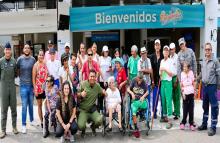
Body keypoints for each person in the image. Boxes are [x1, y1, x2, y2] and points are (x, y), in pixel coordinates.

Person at [197, 43, 220, 136]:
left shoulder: (215, 61)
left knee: (214, 107)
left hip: (212, 86)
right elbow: (202, 73)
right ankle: (204, 124)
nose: (207, 51)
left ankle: (213, 127)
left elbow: (218, 75)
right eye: (206, 49)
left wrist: (218, 87)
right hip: (204, 86)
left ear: (211, 50)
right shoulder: (204, 60)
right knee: (205, 106)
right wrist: (197, 79)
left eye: (209, 49)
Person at [77, 69, 105, 137]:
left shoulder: (97, 86)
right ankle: (83, 129)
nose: (92, 78)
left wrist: (105, 92)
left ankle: (93, 126)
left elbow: (102, 92)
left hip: (92, 110)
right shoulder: (83, 84)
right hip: (83, 110)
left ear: (95, 78)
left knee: (100, 120)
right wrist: (80, 94)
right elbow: (76, 95)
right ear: (88, 77)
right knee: (80, 126)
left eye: (93, 76)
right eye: (91, 76)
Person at [0, 42, 18, 139]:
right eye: (6, 50)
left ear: (10, 51)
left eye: (9, 49)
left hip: (12, 86)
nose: (7, 51)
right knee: (3, 109)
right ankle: (3, 130)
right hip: (3, 87)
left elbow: (16, 73)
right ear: (4, 51)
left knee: (14, 108)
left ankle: (14, 127)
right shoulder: (0, 61)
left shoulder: (14, 61)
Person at [17, 44, 36, 134]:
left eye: (28, 48)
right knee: (24, 106)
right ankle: (24, 125)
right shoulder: (20, 59)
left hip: (31, 86)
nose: (27, 49)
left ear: (30, 50)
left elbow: (35, 72)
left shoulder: (33, 60)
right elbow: (17, 70)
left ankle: (32, 120)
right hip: (23, 86)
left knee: (31, 104)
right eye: (25, 48)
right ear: (23, 50)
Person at [127, 73, 149, 138]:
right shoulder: (133, 80)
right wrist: (131, 93)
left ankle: (141, 114)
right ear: (136, 78)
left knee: (143, 105)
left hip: (141, 100)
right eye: (138, 80)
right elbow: (128, 89)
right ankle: (136, 126)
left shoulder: (144, 82)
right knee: (133, 110)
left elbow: (147, 91)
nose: (139, 82)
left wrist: (143, 96)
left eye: (141, 80)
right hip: (135, 100)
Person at [159, 45, 174, 129]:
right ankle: (165, 117)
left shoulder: (170, 61)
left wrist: (164, 69)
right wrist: (161, 72)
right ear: (163, 52)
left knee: (168, 101)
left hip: (168, 82)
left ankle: (170, 120)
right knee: (163, 100)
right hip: (163, 82)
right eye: (164, 51)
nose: (165, 52)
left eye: (167, 51)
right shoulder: (161, 61)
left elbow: (171, 73)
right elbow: (160, 73)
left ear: (168, 52)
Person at [32, 49, 48, 128]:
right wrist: (35, 89)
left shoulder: (45, 64)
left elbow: (47, 75)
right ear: (37, 55)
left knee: (46, 105)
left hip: (45, 88)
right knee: (39, 105)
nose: (41, 56)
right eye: (40, 55)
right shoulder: (35, 65)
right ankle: (42, 121)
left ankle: (46, 120)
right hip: (38, 88)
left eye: (42, 55)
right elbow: (33, 78)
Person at [149, 39, 164, 120]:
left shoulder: (163, 56)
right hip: (154, 80)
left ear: (160, 46)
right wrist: (152, 81)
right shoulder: (151, 56)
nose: (157, 46)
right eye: (156, 45)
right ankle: (154, 113)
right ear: (154, 46)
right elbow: (151, 70)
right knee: (155, 97)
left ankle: (162, 114)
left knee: (162, 98)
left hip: (162, 80)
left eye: (158, 45)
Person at [180, 62, 196, 131]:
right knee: (185, 109)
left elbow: (194, 82)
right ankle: (183, 122)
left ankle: (191, 123)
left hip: (191, 92)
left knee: (191, 109)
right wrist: (182, 93)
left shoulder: (191, 73)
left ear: (188, 68)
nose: (184, 68)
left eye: (185, 67)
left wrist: (195, 91)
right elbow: (181, 84)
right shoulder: (182, 73)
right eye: (183, 67)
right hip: (185, 93)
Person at [138, 47, 153, 117]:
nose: (144, 54)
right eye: (143, 53)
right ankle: (142, 114)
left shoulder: (148, 60)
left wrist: (143, 70)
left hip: (148, 83)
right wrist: (146, 71)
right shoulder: (139, 61)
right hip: (141, 84)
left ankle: (148, 113)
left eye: (145, 53)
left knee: (148, 99)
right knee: (141, 99)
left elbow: (150, 71)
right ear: (141, 53)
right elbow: (139, 73)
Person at [169, 43, 181, 120]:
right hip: (170, 78)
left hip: (176, 77)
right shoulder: (170, 57)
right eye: (170, 49)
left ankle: (177, 113)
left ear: (175, 49)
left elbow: (179, 69)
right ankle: (175, 111)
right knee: (173, 96)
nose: (171, 50)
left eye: (172, 49)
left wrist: (177, 79)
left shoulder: (177, 57)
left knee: (177, 96)